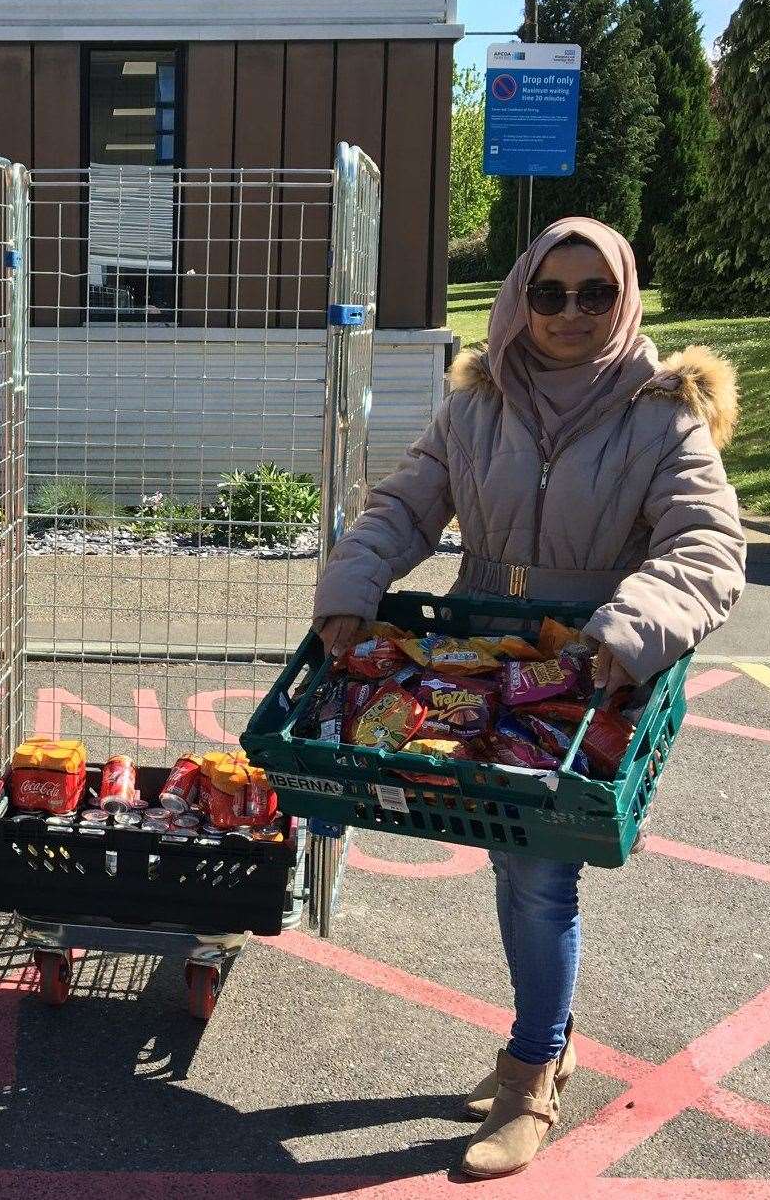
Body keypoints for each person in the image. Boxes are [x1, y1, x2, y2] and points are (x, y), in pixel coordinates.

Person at [313, 216, 746, 1179]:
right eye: (551, 292)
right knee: (510, 864)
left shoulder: (662, 412)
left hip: (588, 684)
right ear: (521, 294)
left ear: (625, 298)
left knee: (542, 876)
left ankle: (532, 1072)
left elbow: (709, 547)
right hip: (486, 669)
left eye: (597, 294)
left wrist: (622, 631)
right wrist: (350, 593)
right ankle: (549, 1032)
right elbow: (404, 506)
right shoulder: (477, 402)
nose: (571, 313)